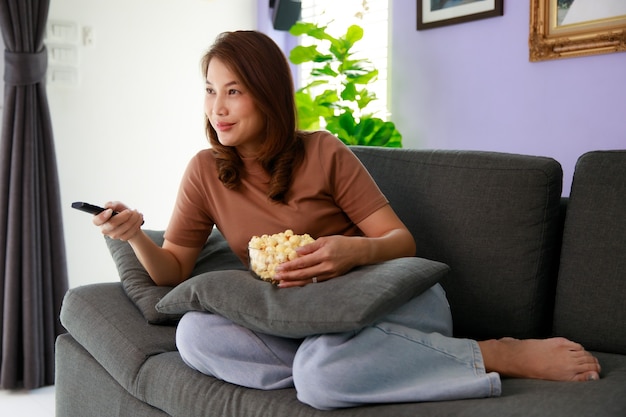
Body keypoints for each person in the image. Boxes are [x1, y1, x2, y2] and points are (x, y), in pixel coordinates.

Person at [94, 30, 601, 410]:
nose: (217, 108)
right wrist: (136, 235)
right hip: (298, 324)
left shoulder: (323, 151)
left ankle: (491, 354)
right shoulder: (206, 171)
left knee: (320, 379)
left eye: (233, 91)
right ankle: (360, 367)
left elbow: (400, 242)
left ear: (267, 94)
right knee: (194, 336)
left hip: (384, 302)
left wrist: (347, 252)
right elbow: (172, 272)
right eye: (209, 90)